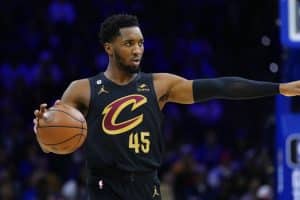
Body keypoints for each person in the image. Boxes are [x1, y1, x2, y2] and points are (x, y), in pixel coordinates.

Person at [33, 14, 300, 200]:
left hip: (147, 186)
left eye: (140, 43)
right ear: (109, 48)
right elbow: (52, 145)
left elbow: (220, 87)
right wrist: (42, 130)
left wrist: (278, 88)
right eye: (128, 44)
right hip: (105, 187)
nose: (137, 50)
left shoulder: (160, 85)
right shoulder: (82, 88)